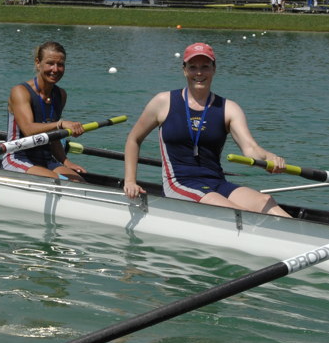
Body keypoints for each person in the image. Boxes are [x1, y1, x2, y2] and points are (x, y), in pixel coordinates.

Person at [123, 42, 291, 217]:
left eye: (205, 67)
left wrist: (270, 158)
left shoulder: (229, 108)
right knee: (236, 211)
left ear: (214, 69)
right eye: (193, 67)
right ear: (184, 70)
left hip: (216, 182)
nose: (199, 73)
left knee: (265, 202)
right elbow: (134, 139)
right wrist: (130, 181)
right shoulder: (163, 102)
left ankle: (308, 241)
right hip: (179, 183)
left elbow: (250, 149)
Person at [2, 41, 86, 179]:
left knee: (78, 181)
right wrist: (60, 124)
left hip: (46, 159)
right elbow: (28, 129)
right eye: (50, 63)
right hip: (17, 157)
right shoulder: (20, 91)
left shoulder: (61, 95)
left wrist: (66, 162)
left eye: (60, 64)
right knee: (56, 180)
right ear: (37, 63)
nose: (55, 69)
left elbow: (53, 137)